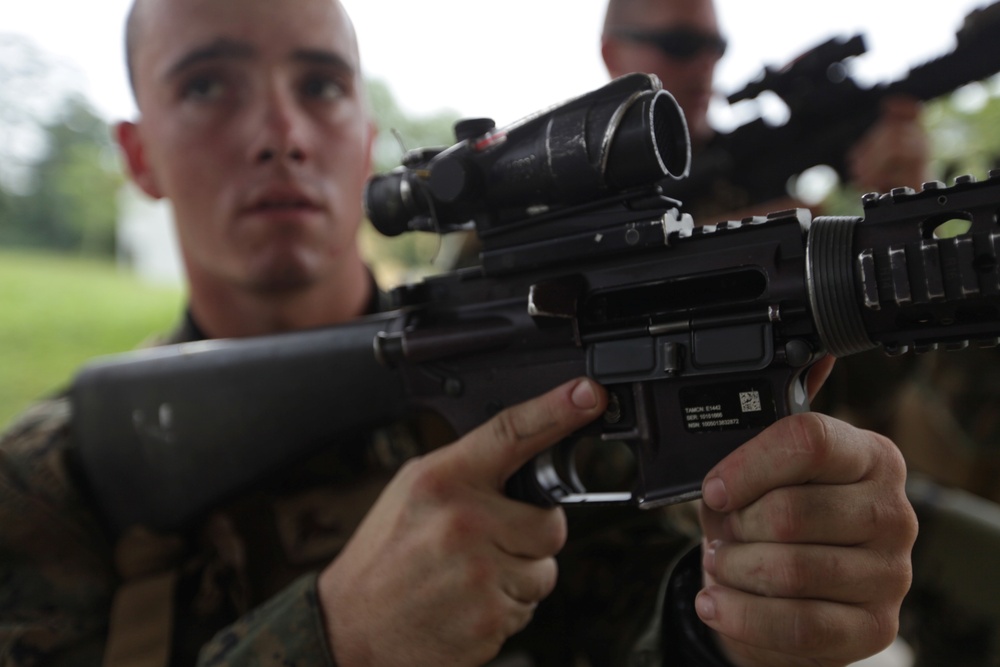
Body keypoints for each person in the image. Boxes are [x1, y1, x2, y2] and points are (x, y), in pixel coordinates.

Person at [0, 0, 917, 665]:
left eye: (320, 85)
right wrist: (332, 640)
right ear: (138, 153)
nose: (279, 132)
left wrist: (731, 627)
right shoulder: (54, 478)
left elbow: (646, 621)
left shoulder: (554, 376)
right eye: (207, 85)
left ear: (364, 137)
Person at [600, 0, 931, 221]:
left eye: (716, 47)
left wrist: (906, 203)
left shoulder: (755, 152)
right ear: (613, 55)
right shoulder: (578, 190)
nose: (706, 64)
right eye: (680, 44)